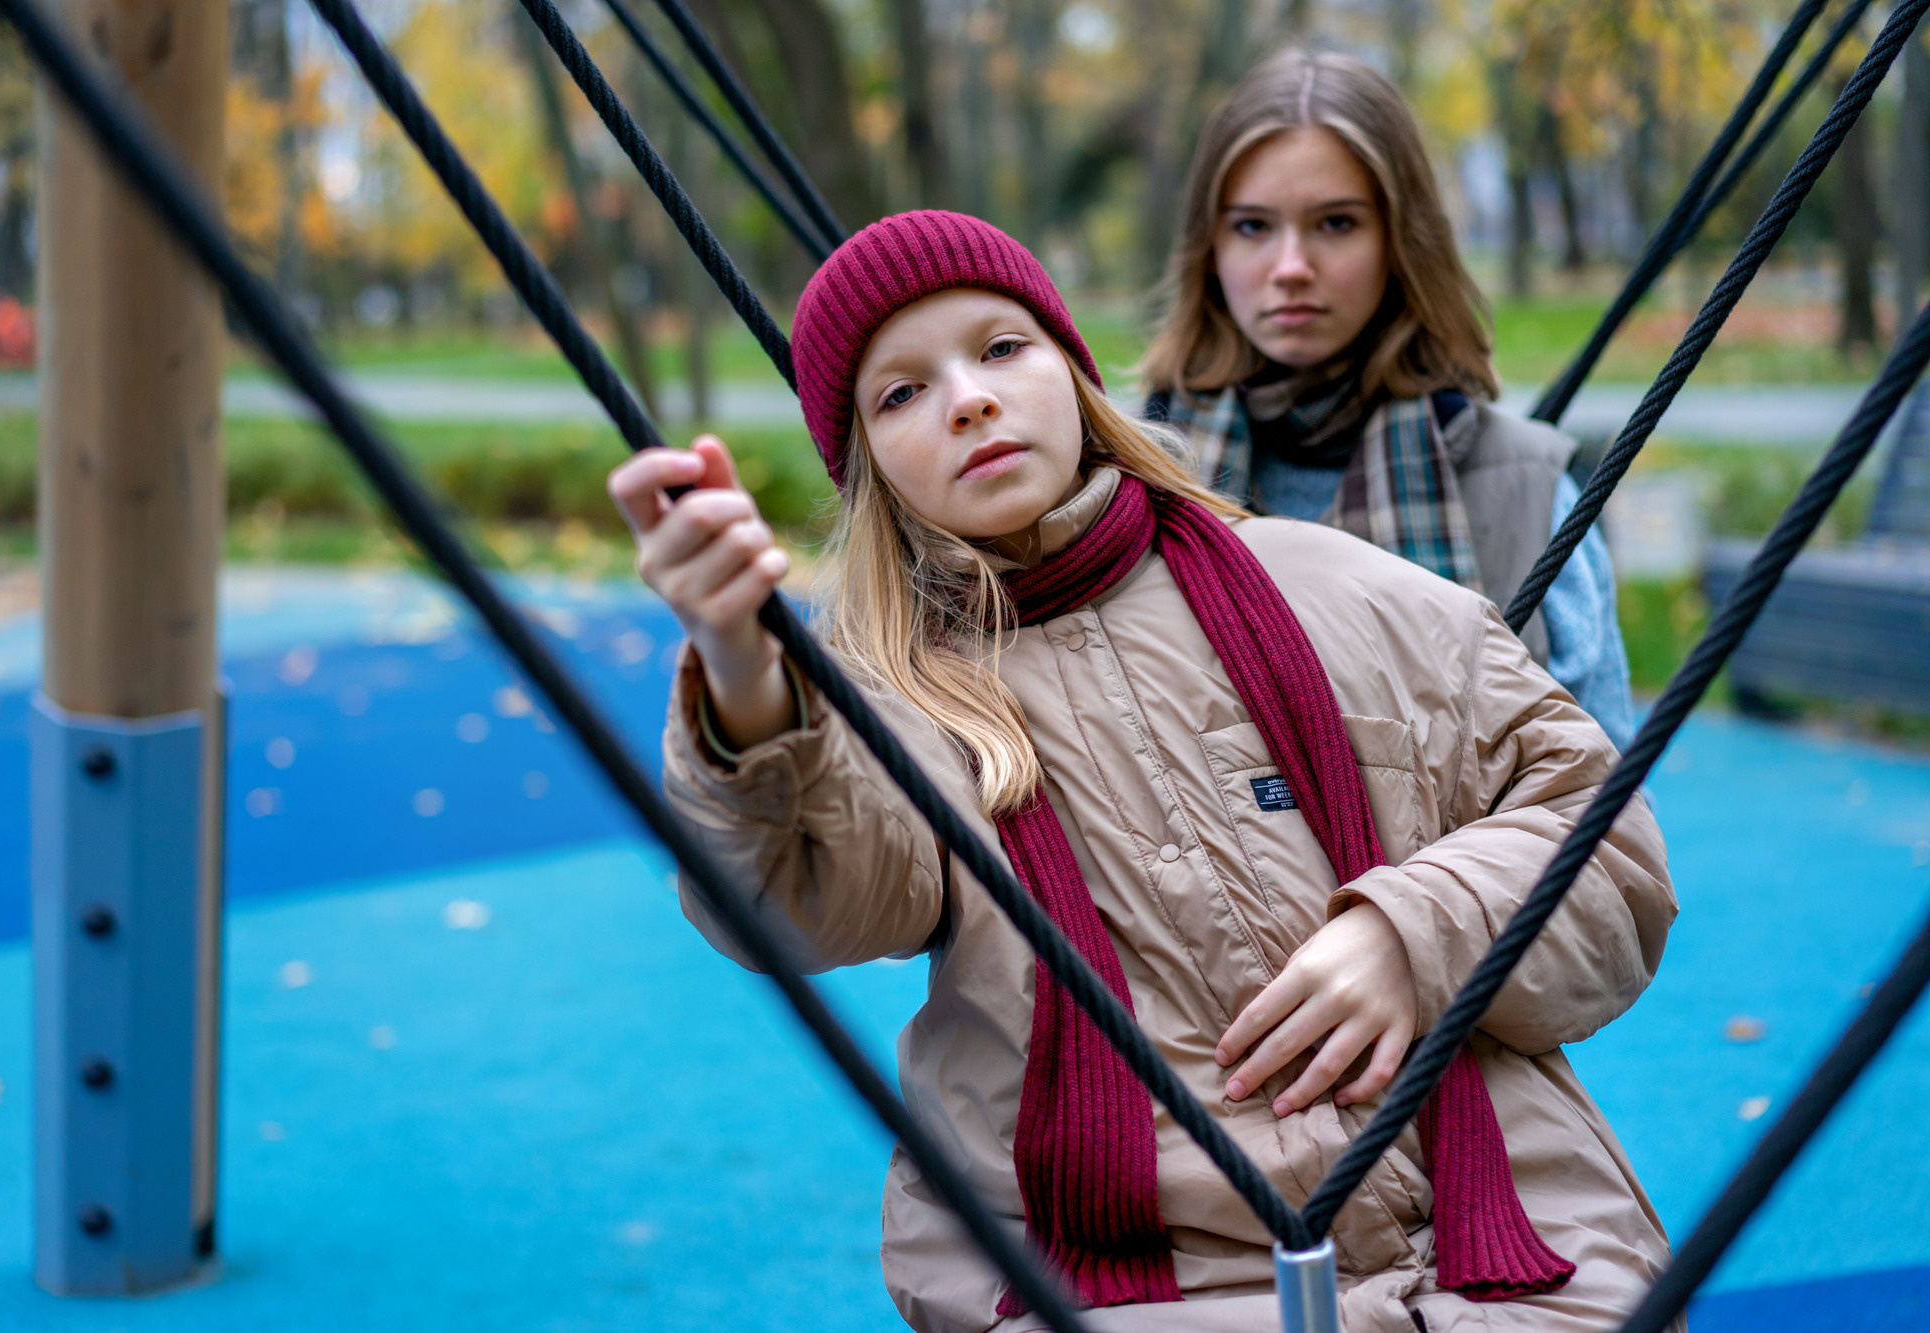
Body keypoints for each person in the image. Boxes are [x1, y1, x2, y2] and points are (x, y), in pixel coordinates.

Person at [611, 210, 1676, 1332]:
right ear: (867, 462)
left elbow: (1604, 837)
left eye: (1001, 347)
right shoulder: (889, 708)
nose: (967, 399)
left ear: (1072, 371)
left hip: (1496, 1226)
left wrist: (1411, 934)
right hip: (1139, 1276)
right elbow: (798, 898)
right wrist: (743, 669)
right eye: (901, 393)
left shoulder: (1343, 591)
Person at [1144, 53, 1635, 749]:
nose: (1291, 267)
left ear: (1400, 242)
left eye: (1336, 223)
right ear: (1210, 248)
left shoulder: (1525, 495)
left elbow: (1604, 792)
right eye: (1253, 226)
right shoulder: (1128, 480)